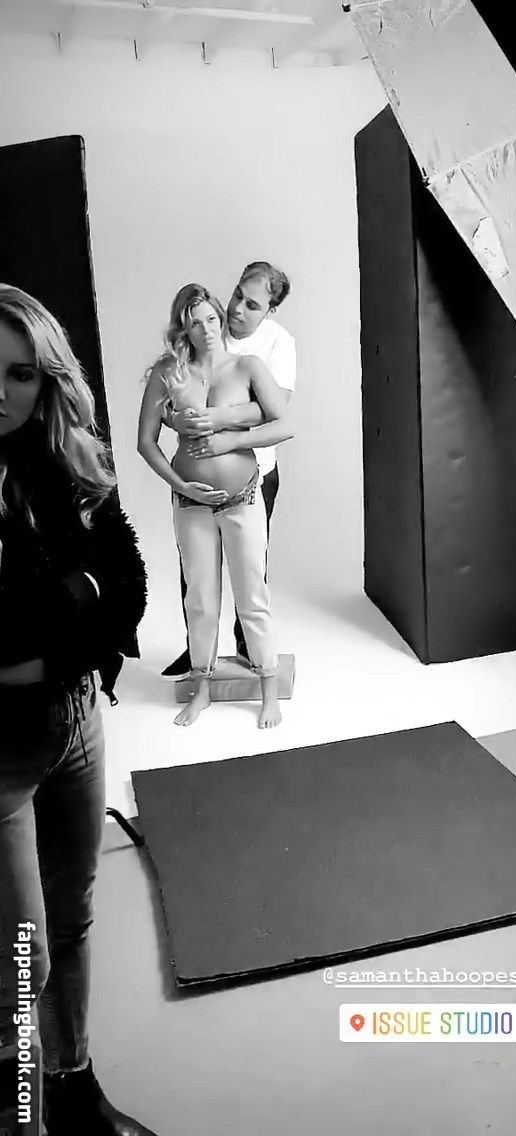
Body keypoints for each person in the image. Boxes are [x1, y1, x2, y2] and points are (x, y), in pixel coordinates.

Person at [0, 286, 154, 1136]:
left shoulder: (72, 462)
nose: (2, 392)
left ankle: (74, 1088)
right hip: (3, 755)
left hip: (78, 722)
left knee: (72, 918)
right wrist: (77, 593)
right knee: (20, 961)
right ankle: (24, 1119)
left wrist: (63, 615)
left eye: (20, 373)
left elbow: (129, 588)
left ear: (46, 380)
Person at [137, 282, 294, 729]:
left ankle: (268, 689)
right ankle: (201, 689)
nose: (205, 329)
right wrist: (179, 483)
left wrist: (231, 440)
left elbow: (284, 424)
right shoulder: (168, 373)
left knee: (252, 595)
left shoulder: (247, 366)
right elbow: (146, 442)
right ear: (182, 327)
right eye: (194, 322)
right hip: (191, 502)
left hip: (243, 497)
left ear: (220, 319)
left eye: (211, 319)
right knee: (201, 598)